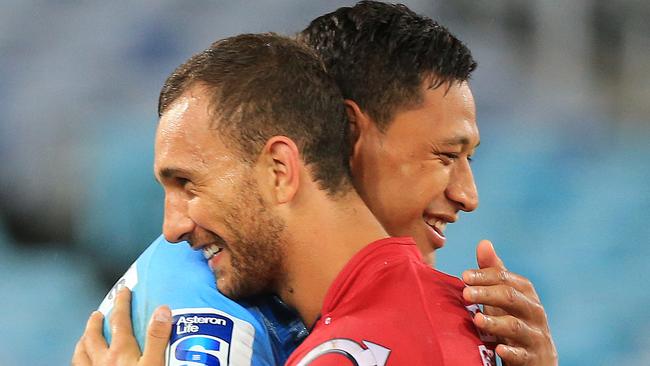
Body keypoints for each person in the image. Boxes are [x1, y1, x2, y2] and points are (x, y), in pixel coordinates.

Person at [78, 1, 557, 365]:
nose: (468, 196)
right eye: (445, 156)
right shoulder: (205, 290)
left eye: (190, 183)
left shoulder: (387, 334)